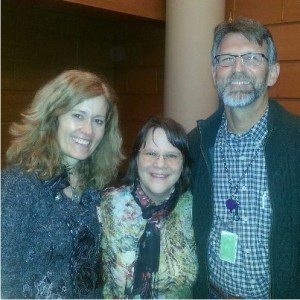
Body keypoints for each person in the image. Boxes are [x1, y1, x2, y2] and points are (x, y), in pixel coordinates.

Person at [189, 18, 300, 299]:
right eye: (227, 59)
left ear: (273, 73)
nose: (238, 69)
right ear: (215, 73)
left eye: (252, 58)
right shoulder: (197, 143)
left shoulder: (296, 143)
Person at [1, 70, 124, 298]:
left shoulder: (95, 189)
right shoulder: (18, 186)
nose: (88, 130)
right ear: (53, 116)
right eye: (78, 115)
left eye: (98, 121)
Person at [99, 116, 198, 299]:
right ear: (137, 158)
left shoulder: (196, 210)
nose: (160, 164)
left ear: (183, 163)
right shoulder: (106, 205)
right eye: (151, 153)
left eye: (171, 155)